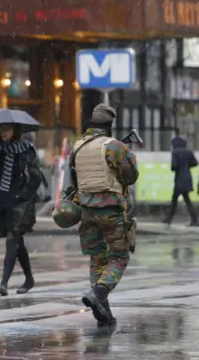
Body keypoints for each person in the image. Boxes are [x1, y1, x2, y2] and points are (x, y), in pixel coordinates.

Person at [69, 104, 138, 326]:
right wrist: (130, 156)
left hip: (86, 211)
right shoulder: (114, 147)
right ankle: (98, 294)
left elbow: (75, 181)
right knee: (119, 257)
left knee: (97, 258)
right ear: (109, 124)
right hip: (110, 210)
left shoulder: (77, 147)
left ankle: (104, 312)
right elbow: (131, 177)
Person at [0, 124, 42, 296]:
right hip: (3, 200)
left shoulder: (26, 149)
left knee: (12, 239)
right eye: (2, 130)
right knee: (18, 243)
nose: (4, 133)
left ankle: (3, 283)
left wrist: (22, 195)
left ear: (15, 131)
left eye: (8, 129)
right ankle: (29, 279)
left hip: (21, 202)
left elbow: (36, 177)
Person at [163, 134, 198, 226]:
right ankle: (194, 220)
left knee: (175, 200)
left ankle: (169, 220)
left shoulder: (175, 152)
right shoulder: (189, 151)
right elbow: (195, 163)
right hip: (187, 177)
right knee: (186, 200)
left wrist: (178, 167)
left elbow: (174, 167)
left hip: (179, 178)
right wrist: (186, 166)